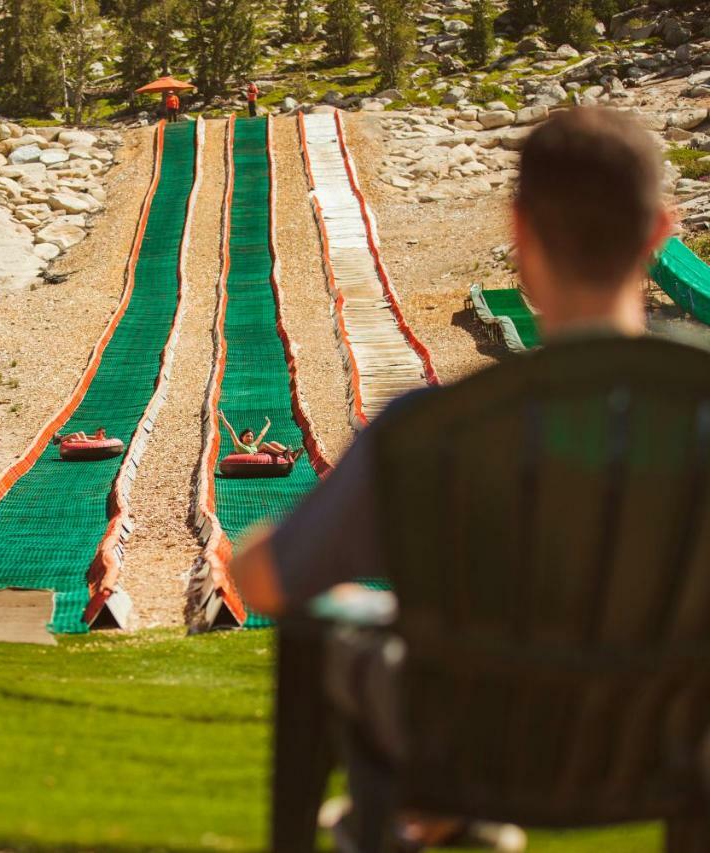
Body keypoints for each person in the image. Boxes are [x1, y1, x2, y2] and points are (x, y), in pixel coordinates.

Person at [229, 107, 672, 851]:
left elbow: (267, 582)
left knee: (352, 639)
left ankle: (415, 818)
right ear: (660, 232)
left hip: (474, 732)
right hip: (670, 740)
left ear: (520, 234)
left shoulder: (436, 426)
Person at [218, 410, 296, 461]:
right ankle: (282, 453)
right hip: (251, 457)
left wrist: (268, 423)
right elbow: (231, 431)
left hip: (259, 454)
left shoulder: (253, 445)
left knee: (273, 442)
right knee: (264, 444)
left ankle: (291, 453)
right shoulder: (239, 445)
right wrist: (223, 418)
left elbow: (262, 435)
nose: (250, 438)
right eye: (247, 436)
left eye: (251, 436)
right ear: (242, 437)